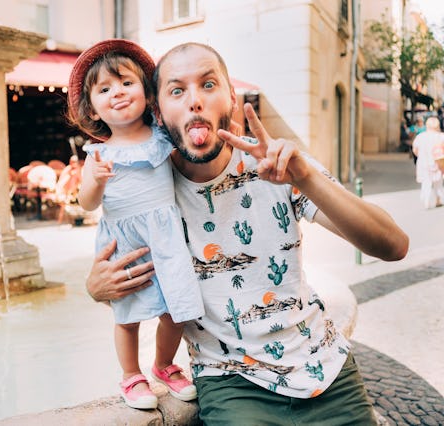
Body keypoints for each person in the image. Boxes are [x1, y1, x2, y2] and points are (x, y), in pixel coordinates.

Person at [86, 42, 409, 424]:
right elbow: (118, 262)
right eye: (177, 90)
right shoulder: (150, 193)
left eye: (208, 85)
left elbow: (393, 246)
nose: (194, 101)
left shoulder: (275, 164)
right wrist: (95, 287)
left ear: (231, 100)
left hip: (326, 370)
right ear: (157, 111)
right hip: (231, 384)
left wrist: (304, 178)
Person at [67, 39, 204, 409]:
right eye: (105, 89)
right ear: (92, 108)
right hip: (126, 245)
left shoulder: (162, 138)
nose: (118, 93)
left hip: (167, 237)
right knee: (127, 317)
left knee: (176, 310)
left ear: (146, 89)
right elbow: (86, 204)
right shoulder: (98, 153)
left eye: (127, 83)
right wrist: (94, 180)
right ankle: (130, 375)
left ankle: (163, 365)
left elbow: (187, 172)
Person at [412, 116, 444, 208]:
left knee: (426, 182)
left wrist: (420, 156)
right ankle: (438, 199)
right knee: (438, 182)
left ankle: (426, 200)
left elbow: (415, 150)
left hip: (424, 162)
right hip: (438, 163)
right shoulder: (441, 137)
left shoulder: (420, 137)